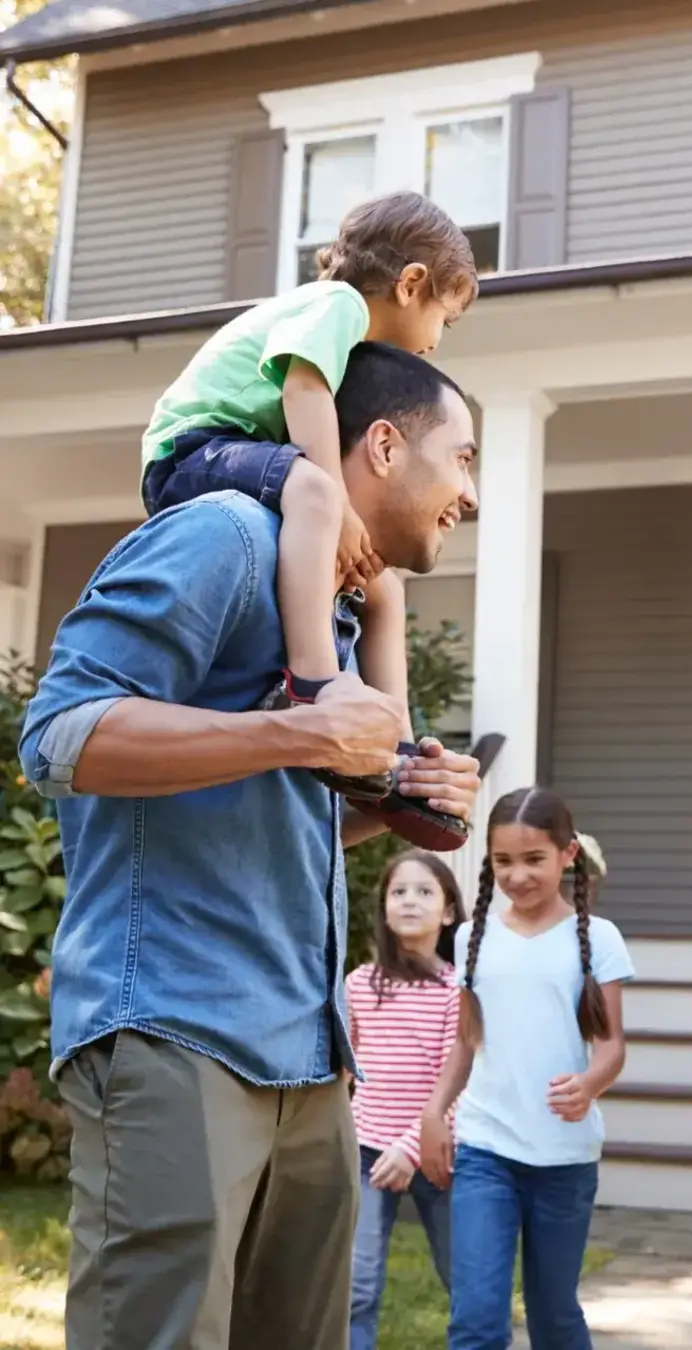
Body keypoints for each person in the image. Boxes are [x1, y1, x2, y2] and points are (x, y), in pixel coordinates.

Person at [18, 343, 482, 1350]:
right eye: (464, 459)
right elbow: (58, 736)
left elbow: (270, 805)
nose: (471, 493)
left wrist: (396, 800)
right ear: (388, 444)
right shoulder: (223, 535)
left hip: (311, 1057)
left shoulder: (333, 609)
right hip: (178, 1029)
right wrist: (300, 732)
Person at [141, 190, 477, 820]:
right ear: (411, 284)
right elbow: (303, 388)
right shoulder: (336, 305)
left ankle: (395, 750)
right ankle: (315, 685)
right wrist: (337, 502)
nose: (436, 340)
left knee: (384, 589)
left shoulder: (340, 330)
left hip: (234, 454)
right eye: (444, 318)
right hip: (191, 451)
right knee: (315, 490)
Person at [420, 787, 635, 1350]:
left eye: (533, 859)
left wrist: (589, 1084)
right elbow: (467, 1044)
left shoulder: (599, 939)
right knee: (475, 1318)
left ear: (568, 855)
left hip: (564, 1159)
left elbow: (612, 1046)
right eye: (503, 861)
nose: (518, 875)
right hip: (486, 1150)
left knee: (554, 1316)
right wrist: (434, 1113)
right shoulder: (471, 937)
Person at [345, 850, 465, 1349]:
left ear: (449, 912)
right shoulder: (358, 985)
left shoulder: (457, 990)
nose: (409, 902)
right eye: (398, 892)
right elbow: (342, 1073)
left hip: (437, 1155)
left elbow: (457, 1083)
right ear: (384, 907)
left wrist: (411, 1149)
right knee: (356, 1284)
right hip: (366, 1153)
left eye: (424, 892)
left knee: (467, 1279)